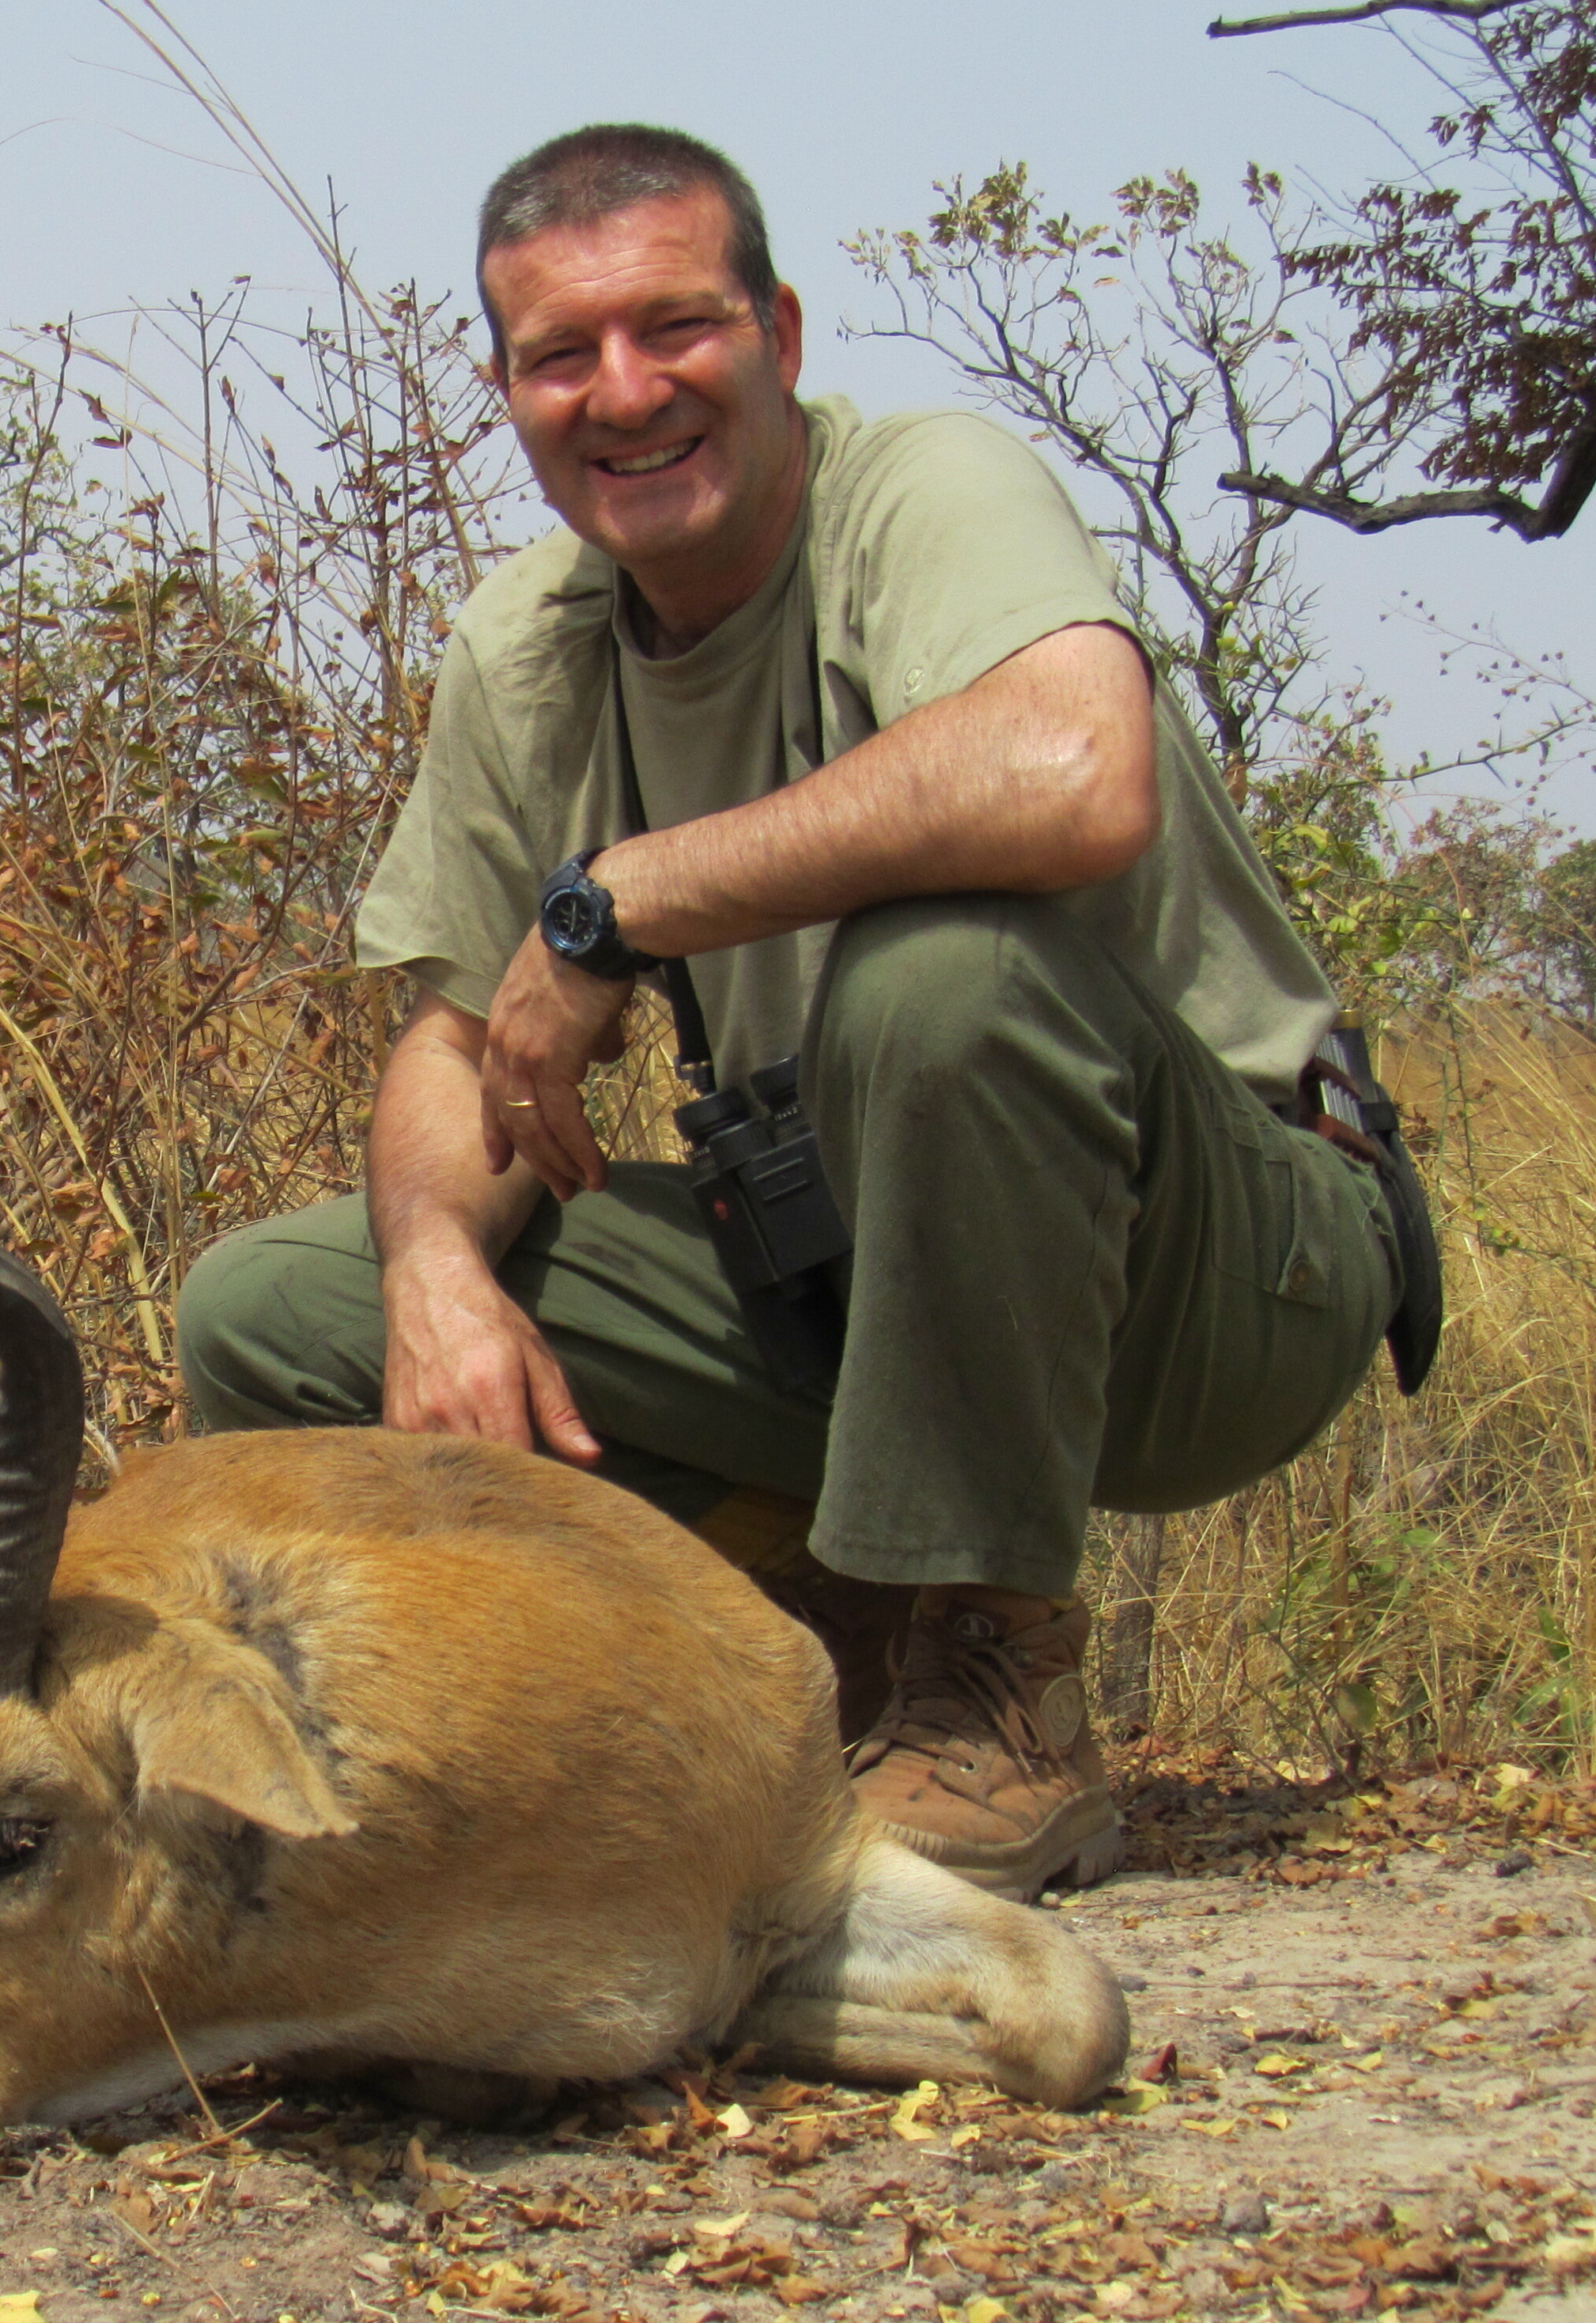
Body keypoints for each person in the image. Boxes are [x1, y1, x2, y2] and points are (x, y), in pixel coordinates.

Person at [178, 124, 1417, 1899]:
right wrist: (437, 1272)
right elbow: (461, 1043)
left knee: (945, 978)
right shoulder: (526, 645)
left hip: (1225, 1275)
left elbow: (1076, 770)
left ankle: (998, 1696)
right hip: (860, 1280)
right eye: (559, 355)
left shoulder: (924, 490)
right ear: (507, 389)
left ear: (781, 334)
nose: (624, 391)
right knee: (273, 1316)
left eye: (674, 327)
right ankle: (766, 1673)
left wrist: (625, 903)